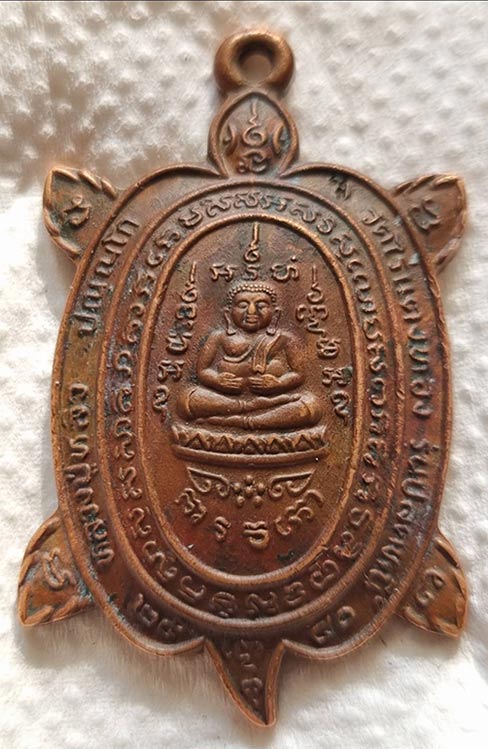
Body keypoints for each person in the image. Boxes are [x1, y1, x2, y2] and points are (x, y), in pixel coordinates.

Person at [178, 282, 322, 430]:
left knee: (310, 405)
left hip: (276, 401)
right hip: (225, 400)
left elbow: (299, 374)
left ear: (275, 314)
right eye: (242, 305)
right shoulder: (219, 337)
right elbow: (202, 371)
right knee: (188, 399)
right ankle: (246, 410)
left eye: (261, 306)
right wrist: (217, 379)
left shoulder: (285, 339)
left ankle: (242, 421)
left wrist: (279, 383)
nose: (252, 311)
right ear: (228, 313)